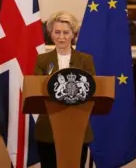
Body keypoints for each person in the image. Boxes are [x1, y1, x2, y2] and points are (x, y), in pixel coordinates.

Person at [33, 11, 95, 168]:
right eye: (57, 32)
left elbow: (92, 89)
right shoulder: (43, 60)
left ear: (73, 34)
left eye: (66, 32)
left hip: (78, 128)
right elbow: (37, 90)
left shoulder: (85, 60)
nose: (61, 37)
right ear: (51, 34)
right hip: (48, 129)